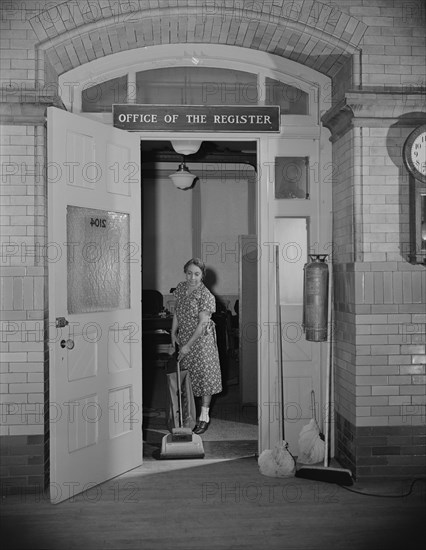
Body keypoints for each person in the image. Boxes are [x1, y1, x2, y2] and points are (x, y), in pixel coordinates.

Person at [171, 258, 222, 434]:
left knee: (204, 377)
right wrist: (173, 332)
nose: (192, 277)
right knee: (188, 377)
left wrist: (187, 346)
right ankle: (188, 415)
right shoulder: (180, 288)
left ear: (202, 276)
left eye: (197, 274)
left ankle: (204, 416)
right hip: (184, 336)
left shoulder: (206, 295)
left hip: (201, 341)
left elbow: (202, 324)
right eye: (189, 273)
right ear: (185, 273)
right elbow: (177, 311)